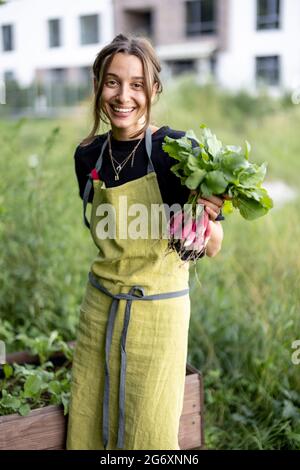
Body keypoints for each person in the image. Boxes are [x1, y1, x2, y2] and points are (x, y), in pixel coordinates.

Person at [66, 33, 225, 451]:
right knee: (88, 420)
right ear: (98, 85)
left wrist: (206, 215)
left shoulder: (177, 152)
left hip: (157, 311)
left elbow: (213, 246)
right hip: (100, 307)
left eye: (136, 84)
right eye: (112, 82)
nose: (123, 96)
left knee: (148, 433)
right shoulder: (88, 156)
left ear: (153, 89)